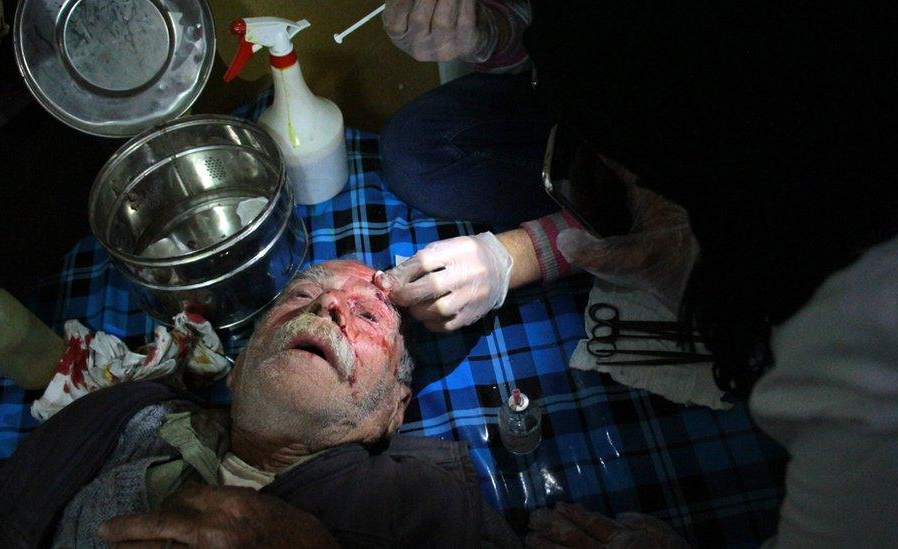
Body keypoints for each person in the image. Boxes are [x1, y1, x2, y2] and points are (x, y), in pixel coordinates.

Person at [377, 1, 898, 547]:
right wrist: (489, 35)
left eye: (611, 180)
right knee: (420, 146)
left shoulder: (852, 349)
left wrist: (536, 250)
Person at [0, 260, 521, 547]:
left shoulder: (433, 503)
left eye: (367, 315)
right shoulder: (125, 418)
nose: (327, 307)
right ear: (236, 373)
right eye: (303, 297)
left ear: (393, 410)